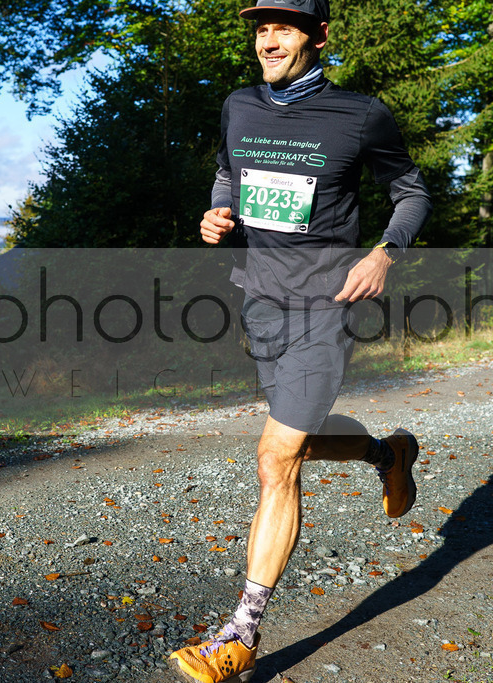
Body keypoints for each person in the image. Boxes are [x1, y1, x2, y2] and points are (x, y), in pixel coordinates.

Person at [168, 1, 432, 681]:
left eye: (283, 26)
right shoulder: (239, 105)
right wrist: (216, 210)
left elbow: (411, 193)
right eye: (261, 27)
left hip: (327, 304)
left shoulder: (360, 114)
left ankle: (239, 633)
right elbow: (230, 171)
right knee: (299, 444)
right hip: (260, 299)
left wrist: (382, 254)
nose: (269, 39)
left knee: (274, 457)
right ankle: (387, 452)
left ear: (318, 36)